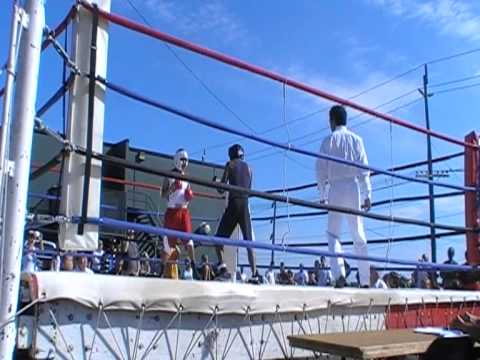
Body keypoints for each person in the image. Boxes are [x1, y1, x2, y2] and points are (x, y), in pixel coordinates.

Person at [316, 105, 371, 288]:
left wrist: (322, 194)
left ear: (332, 120)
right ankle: (365, 280)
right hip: (353, 187)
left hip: (335, 188)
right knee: (358, 233)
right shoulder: (357, 140)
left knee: (333, 234)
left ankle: (339, 275)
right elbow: (364, 168)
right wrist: (367, 194)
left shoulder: (328, 141)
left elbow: (320, 170)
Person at [215, 144, 256, 278]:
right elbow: (249, 190)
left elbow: (221, 189)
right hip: (245, 205)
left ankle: (223, 269)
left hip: (233, 204)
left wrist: (215, 183)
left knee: (218, 240)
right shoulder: (250, 168)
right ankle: (255, 275)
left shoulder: (230, 165)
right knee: (249, 243)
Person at [161, 149, 196, 279]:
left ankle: (194, 267)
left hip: (184, 212)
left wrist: (189, 196)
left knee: (190, 242)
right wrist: (172, 188)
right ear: (177, 159)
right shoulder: (169, 175)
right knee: (167, 247)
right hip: (171, 212)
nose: (184, 162)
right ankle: (161, 271)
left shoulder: (186, 177)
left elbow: (188, 195)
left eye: (186, 160)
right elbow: (162, 194)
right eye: (182, 159)